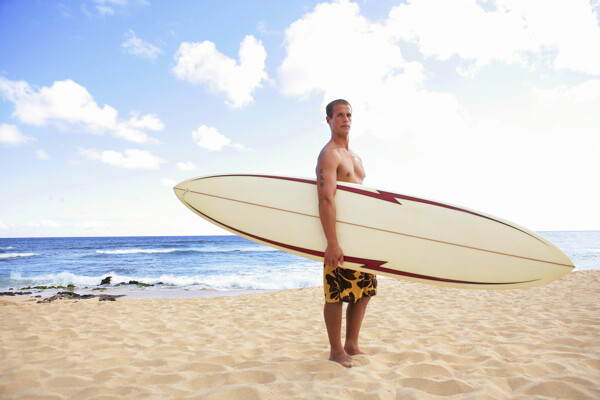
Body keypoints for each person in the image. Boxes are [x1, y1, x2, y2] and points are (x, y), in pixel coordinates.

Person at [316, 99, 377, 368]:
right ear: (328, 120)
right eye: (339, 115)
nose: (345, 119)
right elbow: (325, 199)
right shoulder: (329, 155)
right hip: (338, 237)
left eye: (349, 114)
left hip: (361, 237)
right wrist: (331, 242)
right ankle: (336, 350)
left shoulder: (357, 158)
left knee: (363, 292)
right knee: (337, 294)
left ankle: (352, 344)